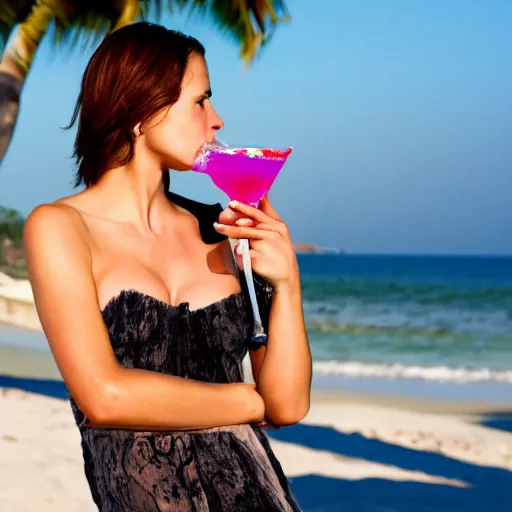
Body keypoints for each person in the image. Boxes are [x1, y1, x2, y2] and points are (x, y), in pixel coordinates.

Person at [23, 22, 311, 511]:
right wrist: (248, 401)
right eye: (200, 101)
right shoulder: (61, 227)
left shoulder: (226, 226)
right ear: (141, 110)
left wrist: (287, 285)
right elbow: (104, 397)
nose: (217, 119)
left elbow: (290, 403)